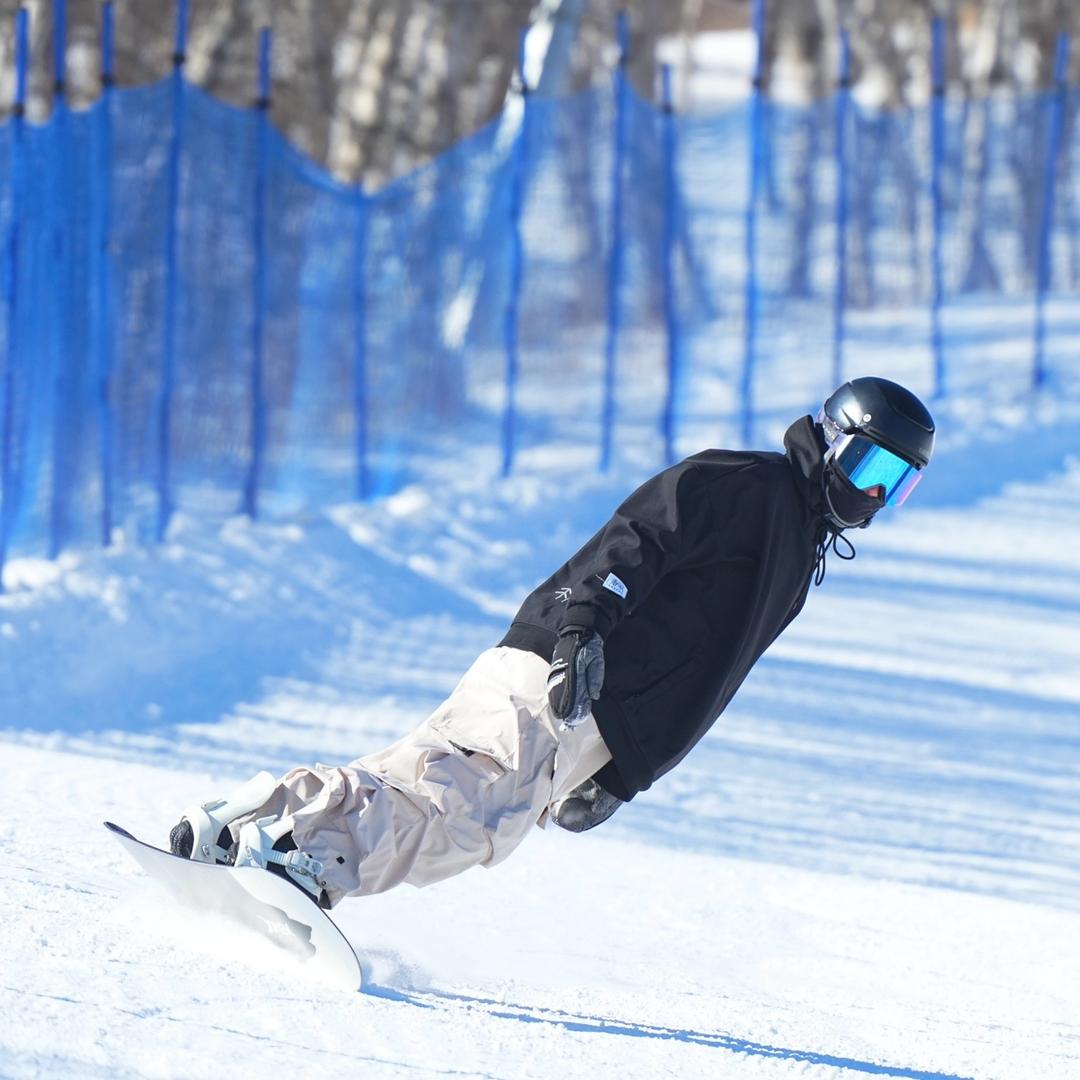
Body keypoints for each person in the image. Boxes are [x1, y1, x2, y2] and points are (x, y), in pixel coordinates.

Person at [169, 376, 935, 910]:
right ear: (833, 440)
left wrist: (622, 776)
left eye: (896, 485)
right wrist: (582, 631)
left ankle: (248, 823)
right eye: (870, 465)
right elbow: (636, 540)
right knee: (461, 820)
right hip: (570, 673)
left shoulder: (797, 551)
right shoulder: (748, 486)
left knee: (427, 787)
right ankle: (304, 861)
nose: (873, 495)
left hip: (582, 705)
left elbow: (709, 676)